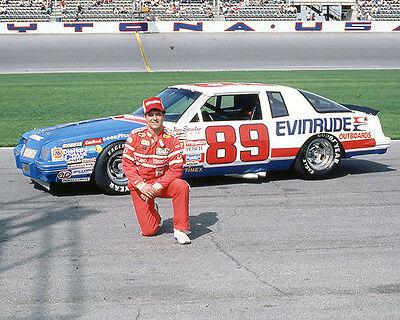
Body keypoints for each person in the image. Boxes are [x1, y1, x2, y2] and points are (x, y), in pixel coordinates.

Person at [122, 97, 191, 244]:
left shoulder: (171, 138)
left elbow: (176, 169)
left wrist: (157, 186)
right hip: (141, 185)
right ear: (145, 117)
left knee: (181, 186)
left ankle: (180, 229)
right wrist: (141, 185)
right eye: (151, 114)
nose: (155, 118)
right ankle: (154, 214)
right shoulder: (135, 136)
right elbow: (127, 164)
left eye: (158, 114)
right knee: (149, 231)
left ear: (163, 116)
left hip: (161, 184)